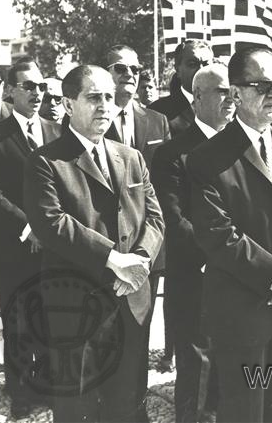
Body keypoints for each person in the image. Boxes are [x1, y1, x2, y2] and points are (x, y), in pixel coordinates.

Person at [186, 47, 272, 423]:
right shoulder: (206, 158)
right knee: (244, 413)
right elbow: (218, 234)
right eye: (260, 85)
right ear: (234, 93)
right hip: (242, 312)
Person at [23, 65, 164, 422]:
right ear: (68, 105)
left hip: (130, 299)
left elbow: (155, 219)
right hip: (76, 306)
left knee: (127, 402)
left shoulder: (130, 157)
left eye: (110, 97)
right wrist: (114, 259)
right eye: (94, 97)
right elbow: (52, 222)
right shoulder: (45, 161)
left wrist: (140, 262)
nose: (105, 106)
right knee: (78, 406)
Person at [0, 59, 61, 419]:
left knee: (49, 321)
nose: (37, 93)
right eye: (28, 87)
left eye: (40, 87)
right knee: (18, 323)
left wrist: (52, 229)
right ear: (11, 91)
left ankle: (47, 386)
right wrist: (29, 227)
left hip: (53, 247)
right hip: (14, 245)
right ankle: (21, 395)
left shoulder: (57, 132)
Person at [151, 63, 233, 422]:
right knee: (197, 363)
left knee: (232, 365)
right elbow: (174, 219)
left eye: (233, 91)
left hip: (240, 274)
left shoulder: (244, 146)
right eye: (221, 91)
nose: (230, 98)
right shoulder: (173, 153)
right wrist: (217, 256)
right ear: (198, 97)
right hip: (197, 272)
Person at [104, 43, 171, 371]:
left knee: (140, 332)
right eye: (121, 68)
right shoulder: (93, 121)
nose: (130, 74)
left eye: (136, 69)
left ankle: (135, 406)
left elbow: (165, 189)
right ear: (107, 73)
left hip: (147, 246)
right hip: (106, 249)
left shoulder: (157, 121)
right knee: (103, 333)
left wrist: (146, 251)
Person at [149, 40, 214, 135]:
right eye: (192, 64)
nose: (201, 70)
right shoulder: (157, 111)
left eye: (206, 64)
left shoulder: (228, 107)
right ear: (178, 70)